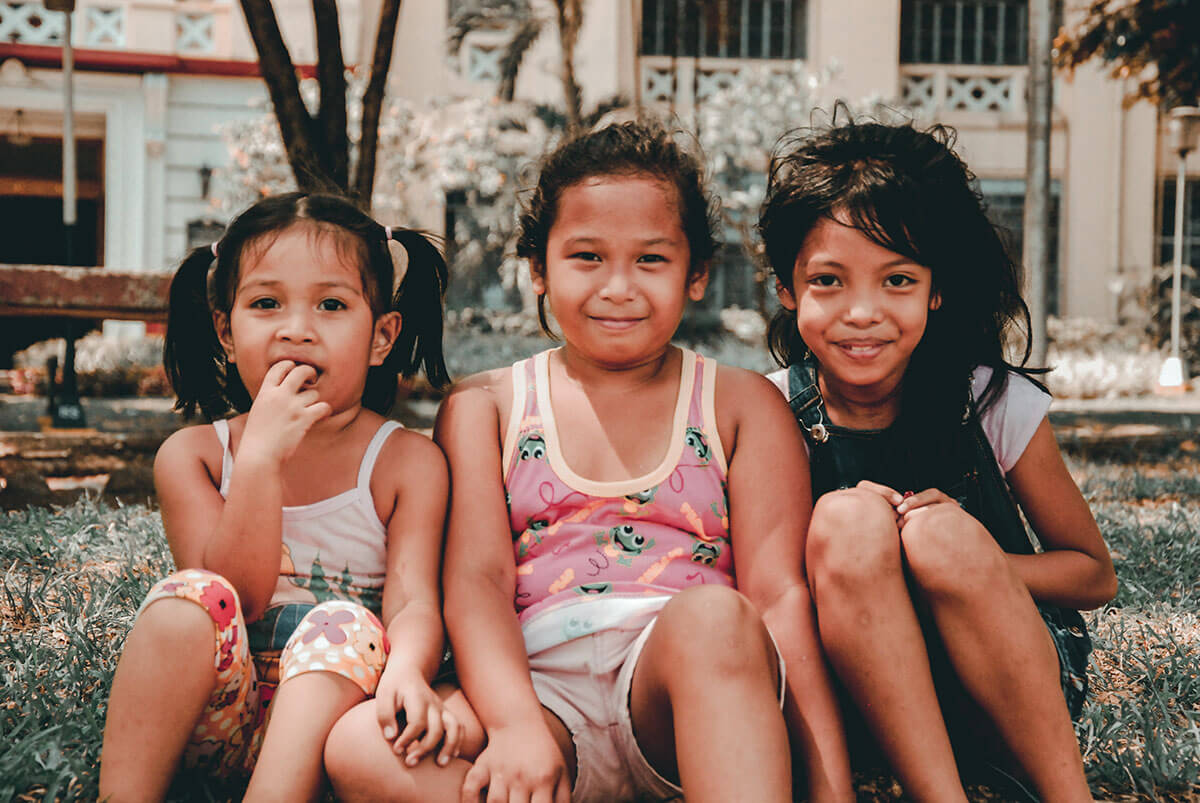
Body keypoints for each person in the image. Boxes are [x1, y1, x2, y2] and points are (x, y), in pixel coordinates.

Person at [324, 121, 854, 802]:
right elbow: (479, 582)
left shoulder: (739, 404)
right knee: (360, 744)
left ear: (695, 275)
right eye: (586, 257)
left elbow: (779, 600)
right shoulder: (487, 406)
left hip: (683, 691)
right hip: (537, 695)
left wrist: (833, 789)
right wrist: (514, 725)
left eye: (651, 260)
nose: (618, 287)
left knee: (716, 616)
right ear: (538, 269)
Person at [758, 117, 1118, 802]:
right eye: (829, 280)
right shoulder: (767, 414)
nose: (863, 312)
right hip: (857, 701)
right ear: (784, 286)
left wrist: (962, 561)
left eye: (897, 279)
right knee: (848, 522)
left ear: (936, 288)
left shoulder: (991, 401)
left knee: (941, 533)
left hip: (1012, 697)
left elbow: (1094, 574)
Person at [99, 192, 458, 802]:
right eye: (266, 303)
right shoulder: (196, 458)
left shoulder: (406, 462)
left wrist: (406, 671)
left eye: (331, 304)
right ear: (227, 332)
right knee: (184, 599)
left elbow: (415, 601)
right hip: (223, 719)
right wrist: (260, 461)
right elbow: (235, 594)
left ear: (381, 337)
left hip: (337, 728)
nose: (297, 328)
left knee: (340, 622)